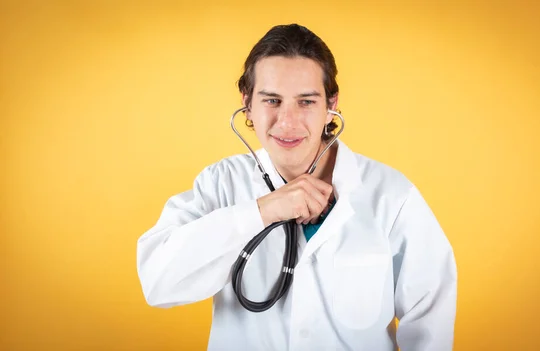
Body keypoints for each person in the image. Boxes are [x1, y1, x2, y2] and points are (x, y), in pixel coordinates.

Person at [136, 23, 457, 350]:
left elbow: (431, 317)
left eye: (306, 102)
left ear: (331, 103)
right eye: (272, 100)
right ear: (247, 103)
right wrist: (263, 210)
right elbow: (159, 283)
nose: (287, 122)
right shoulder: (220, 184)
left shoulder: (390, 195)